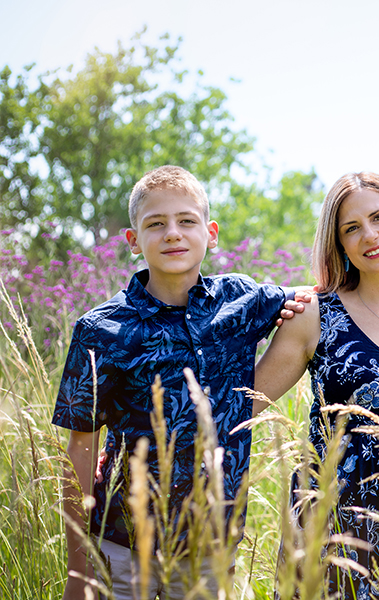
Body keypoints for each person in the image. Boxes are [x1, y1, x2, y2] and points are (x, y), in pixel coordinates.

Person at [53, 166, 296, 600]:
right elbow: (81, 449)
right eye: (155, 224)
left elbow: (316, 298)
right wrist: (78, 568)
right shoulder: (102, 329)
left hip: (211, 543)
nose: (172, 234)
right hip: (124, 542)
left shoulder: (240, 300)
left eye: (187, 221)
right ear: (133, 241)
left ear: (211, 233)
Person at [254, 172, 379, 600]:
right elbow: (243, 407)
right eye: (352, 228)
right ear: (339, 243)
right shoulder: (315, 315)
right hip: (332, 527)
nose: (370, 235)